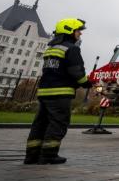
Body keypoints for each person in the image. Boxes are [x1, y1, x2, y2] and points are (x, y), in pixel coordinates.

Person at [24, 18, 91, 164]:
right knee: (57, 124)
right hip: (60, 94)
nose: (80, 34)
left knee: (40, 124)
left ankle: (31, 156)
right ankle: (48, 155)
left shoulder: (51, 49)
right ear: (69, 31)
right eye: (78, 31)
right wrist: (87, 83)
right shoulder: (71, 49)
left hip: (44, 92)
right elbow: (76, 72)